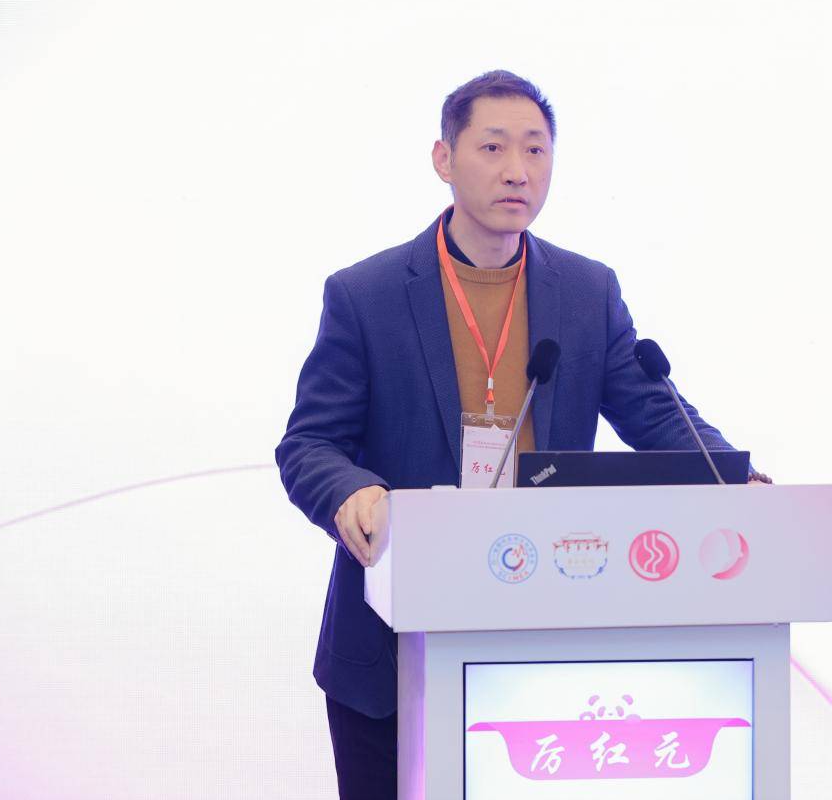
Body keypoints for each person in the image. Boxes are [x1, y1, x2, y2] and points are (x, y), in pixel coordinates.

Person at [274, 69, 767, 800]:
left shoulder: (587, 290)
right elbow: (309, 444)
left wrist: (730, 471)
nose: (517, 170)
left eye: (536, 150)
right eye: (494, 147)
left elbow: (653, 411)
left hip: (541, 635)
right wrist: (353, 492)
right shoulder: (366, 294)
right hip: (393, 647)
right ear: (444, 159)